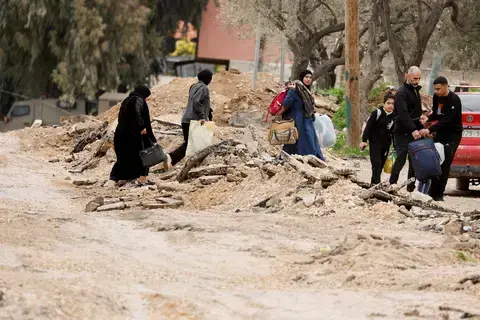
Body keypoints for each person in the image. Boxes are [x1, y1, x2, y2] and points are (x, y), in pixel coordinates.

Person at [420, 76, 463, 201]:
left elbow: (447, 120)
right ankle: (430, 191)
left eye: (439, 89)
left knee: (445, 164)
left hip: (452, 135)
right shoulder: (436, 97)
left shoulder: (454, 100)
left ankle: (438, 194)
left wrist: (430, 129)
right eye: (435, 89)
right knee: (434, 160)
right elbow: (437, 114)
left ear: (446, 86)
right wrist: (428, 118)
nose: (437, 91)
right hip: (440, 133)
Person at [163, 69, 213, 170]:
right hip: (196, 120)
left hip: (186, 119)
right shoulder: (204, 88)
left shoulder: (193, 87)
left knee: (189, 143)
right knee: (198, 145)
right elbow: (196, 101)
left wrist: (209, 111)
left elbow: (196, 101)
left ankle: (172, 160)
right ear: (207, 78)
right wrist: (203, 117)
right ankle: (175, 159)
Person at [109, 84, 156, 186]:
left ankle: (116, 179)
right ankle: (141, 179)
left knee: (124, 157)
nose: (146, 100)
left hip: (121, 133)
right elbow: (137, 114)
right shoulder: (138, 100)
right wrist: (142, 128)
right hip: (133, 134)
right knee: (143, 156)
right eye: (146, 97)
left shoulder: (127, 100)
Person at [389, 66, 424, 191]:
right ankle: (392, 184)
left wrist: (421, 124)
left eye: (419, 78)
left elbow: (415, 112)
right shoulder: (402, 92)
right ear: (407, 76)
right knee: (400, 159)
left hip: (413, 129)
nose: (417, 81)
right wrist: (413, 130)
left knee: (414, 161)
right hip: (402, 132)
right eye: (415, 78)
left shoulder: (414, 90)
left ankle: (410, 187)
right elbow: (404, 114)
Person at [279, 70, 325, 160]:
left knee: (310, 139)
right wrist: (291, 91)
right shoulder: (295, 88)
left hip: (306, 119)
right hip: (297, 120)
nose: (308, 79)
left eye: (310, 77)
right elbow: (285, 103)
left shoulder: (306, 90)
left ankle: (312, 158)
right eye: (306, 77)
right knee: (296, 140)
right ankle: (294, 158)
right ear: (302, 78)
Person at [360, 92, 395, 185]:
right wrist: (364, 141)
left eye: (393, 104)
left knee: (380, 166)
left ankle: (373, 184)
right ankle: (377, 185)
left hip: (386, 144)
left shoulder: (395, 116)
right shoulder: (377, 113)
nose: (390, 106)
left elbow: (394, 132)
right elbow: (368, 127)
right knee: (376, 164)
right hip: (374, 143)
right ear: (384, 103)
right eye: (388, 103)